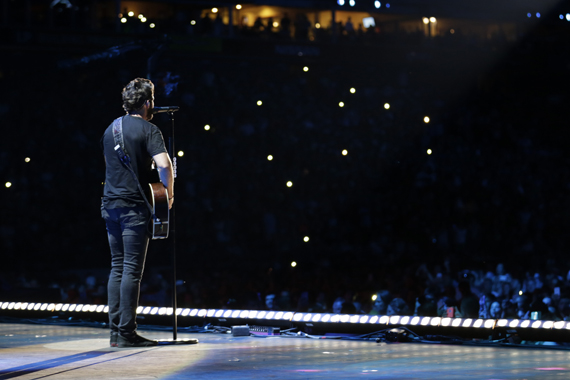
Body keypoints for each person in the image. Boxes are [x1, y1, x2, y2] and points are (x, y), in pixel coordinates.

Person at [101, 78, 174, 347]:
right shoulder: (149, 129)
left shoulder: (111, 128)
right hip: (133, 207)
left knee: (117, 268)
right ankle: (127, 334)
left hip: (110, 205)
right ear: (147, 103)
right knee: (132, 270)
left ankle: (115, 333)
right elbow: (164, 165)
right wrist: (169, 193)